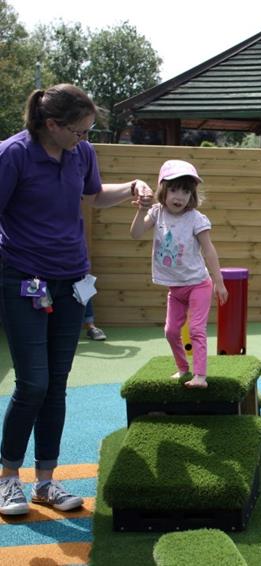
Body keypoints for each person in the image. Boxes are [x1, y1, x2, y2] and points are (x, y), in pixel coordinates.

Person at [0, 84, 153, 516]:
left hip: (71, 281)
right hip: (23, 280)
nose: (85, 138)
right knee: (33, 383)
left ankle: (46, 482)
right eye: (80, 131)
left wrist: (133, 188)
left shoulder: (81, 154)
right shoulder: (12, 155)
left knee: (57, 384)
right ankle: (9, 478)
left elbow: (95, 194)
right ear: (52, 124)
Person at [130, 160, 228, 389]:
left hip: (198, 284)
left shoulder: (196, 218)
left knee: (196, 329)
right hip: (175, 288)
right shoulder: (156, 213)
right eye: (174, 189)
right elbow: (135, 234)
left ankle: (200, 376)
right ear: (163, 189)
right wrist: (141, 210)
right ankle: (183, 368)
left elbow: (209, 250)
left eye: (186, 191)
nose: (180, 196)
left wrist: (219, 282)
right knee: (171, 331)